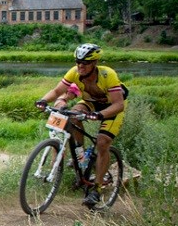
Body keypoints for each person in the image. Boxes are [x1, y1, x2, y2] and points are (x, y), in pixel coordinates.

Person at [35, 43, 128, 208]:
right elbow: (57, 91)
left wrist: (100, 115)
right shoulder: (74, 72)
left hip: (111, 108)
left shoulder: (108, 75)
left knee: (102, 142)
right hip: (90, 103)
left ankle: (97, 190)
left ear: (94, 63)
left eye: (84, 63)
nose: (80, 66)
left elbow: (119, 104)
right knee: (72, 117)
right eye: (78, 62)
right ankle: (81, 156)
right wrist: (43, 100)